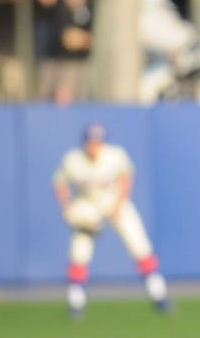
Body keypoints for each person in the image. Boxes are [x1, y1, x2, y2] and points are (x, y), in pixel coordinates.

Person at [53, 122, 172, 319]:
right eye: (91, 142)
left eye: (97, 142)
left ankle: (158, 295)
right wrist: (66, 207)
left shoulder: (114, 155)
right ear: (84, 143)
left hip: (115, 201)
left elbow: (126, 176)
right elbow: (60, 182)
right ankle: (76, 303)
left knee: (140, 246)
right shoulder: (73, 160)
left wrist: (119, 204)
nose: (94, 146)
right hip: (88, 205)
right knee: (79, 252)